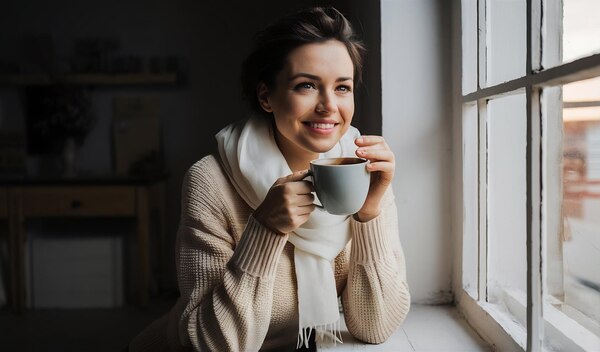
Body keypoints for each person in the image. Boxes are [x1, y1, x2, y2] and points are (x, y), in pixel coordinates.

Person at [130, 6, 410, 352]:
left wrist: (369, 213)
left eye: (342, 88)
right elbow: (209, 345)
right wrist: (264, 230)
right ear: (266, 96)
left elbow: (375, 327)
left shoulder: (363, 172)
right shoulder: (210, 181)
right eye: (306, 85)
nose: (328, 106)